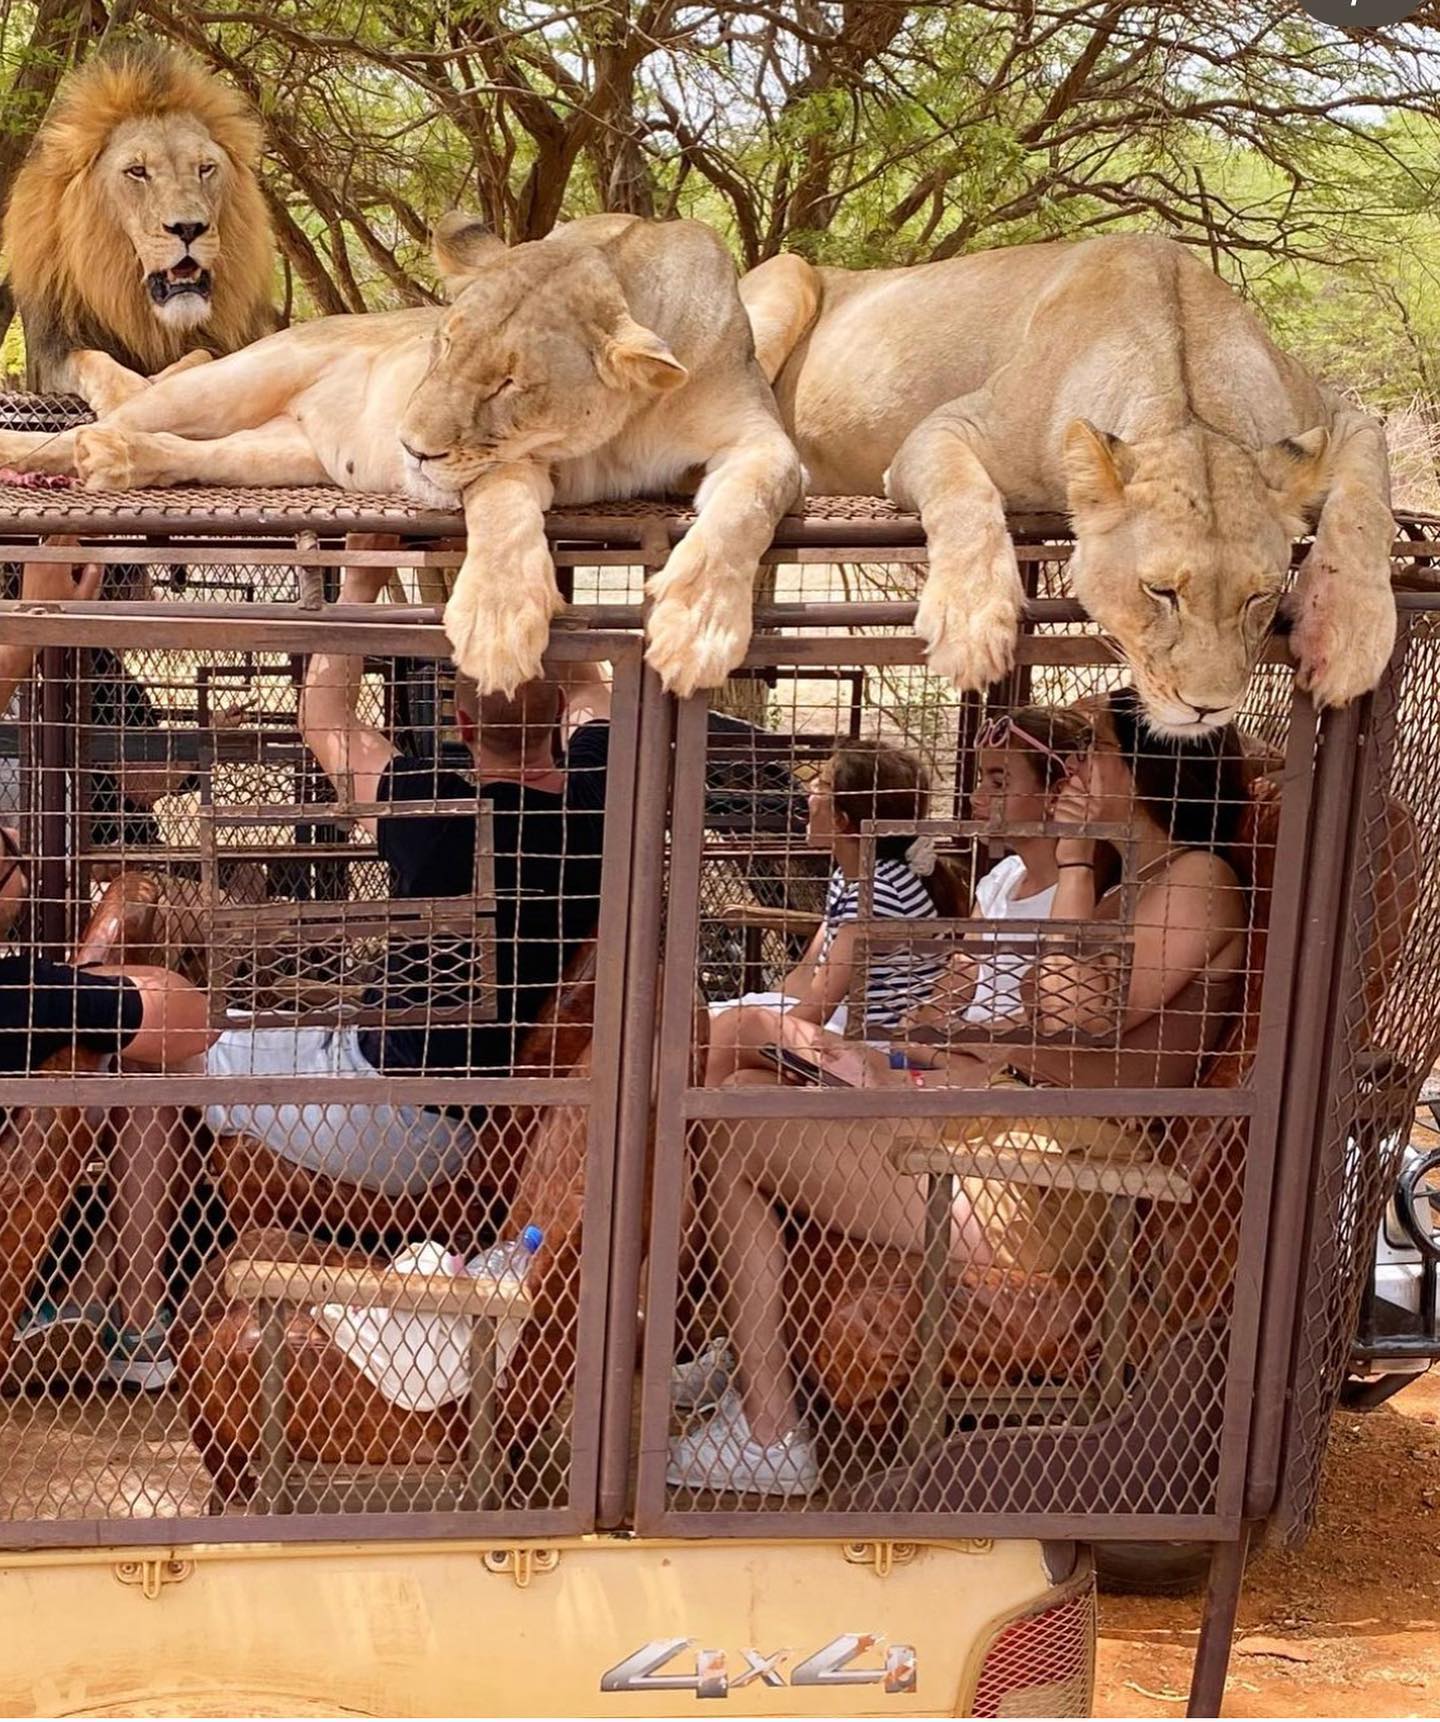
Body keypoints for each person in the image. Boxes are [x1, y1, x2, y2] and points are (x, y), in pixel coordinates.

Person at [668, 687, 1249, 1497]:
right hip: (1008, 1136)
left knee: (734, 1125)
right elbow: (1044, 1029)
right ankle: (746, 1374)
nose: (1077, 770)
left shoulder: (1200, 878)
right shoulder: (1135, 884)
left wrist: (1077, 860)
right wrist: (921, 1066)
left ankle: (769, 1429)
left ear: (1147, 766)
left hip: (1061, 1185)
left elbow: (1071, 1011)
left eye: (1096, 753)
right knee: (751, 1085)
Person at [197, 561, 610, 1198]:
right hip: (472, 1114)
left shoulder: (436, 810)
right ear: (555, 713)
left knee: (165, 1043)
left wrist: (360, 579)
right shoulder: (600, 798)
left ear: (463, 728)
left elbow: (323, 719)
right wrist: (532, 579)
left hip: (388, 1104)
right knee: (243, 1025)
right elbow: (593, 696)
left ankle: (123, 1277)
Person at [703, 741, 966, 1089]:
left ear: (843, 821)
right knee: (739, 1074)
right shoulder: (852, 875)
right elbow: (803, 980)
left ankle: (676, 1134)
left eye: (822, 785)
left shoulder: (878, 895)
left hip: (875, 1054)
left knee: (733, 1028)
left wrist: (748, 1033)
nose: (809, 792)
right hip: (837, 1036)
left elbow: (816, 1009)